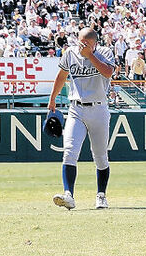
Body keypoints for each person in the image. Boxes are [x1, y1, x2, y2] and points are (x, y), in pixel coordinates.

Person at [48, 28, 116, 210]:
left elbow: (108, 73)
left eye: (86, 43)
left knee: (100, 156)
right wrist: (53, 98)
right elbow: (62, 76)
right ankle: (68, 195)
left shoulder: (105, 52)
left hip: (99, 108)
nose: (81, 45)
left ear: (95, 43)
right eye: (80, 41)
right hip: (76, 108)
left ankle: (101, 195)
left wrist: (90, 55)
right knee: (69, 150)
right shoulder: (70, 53)